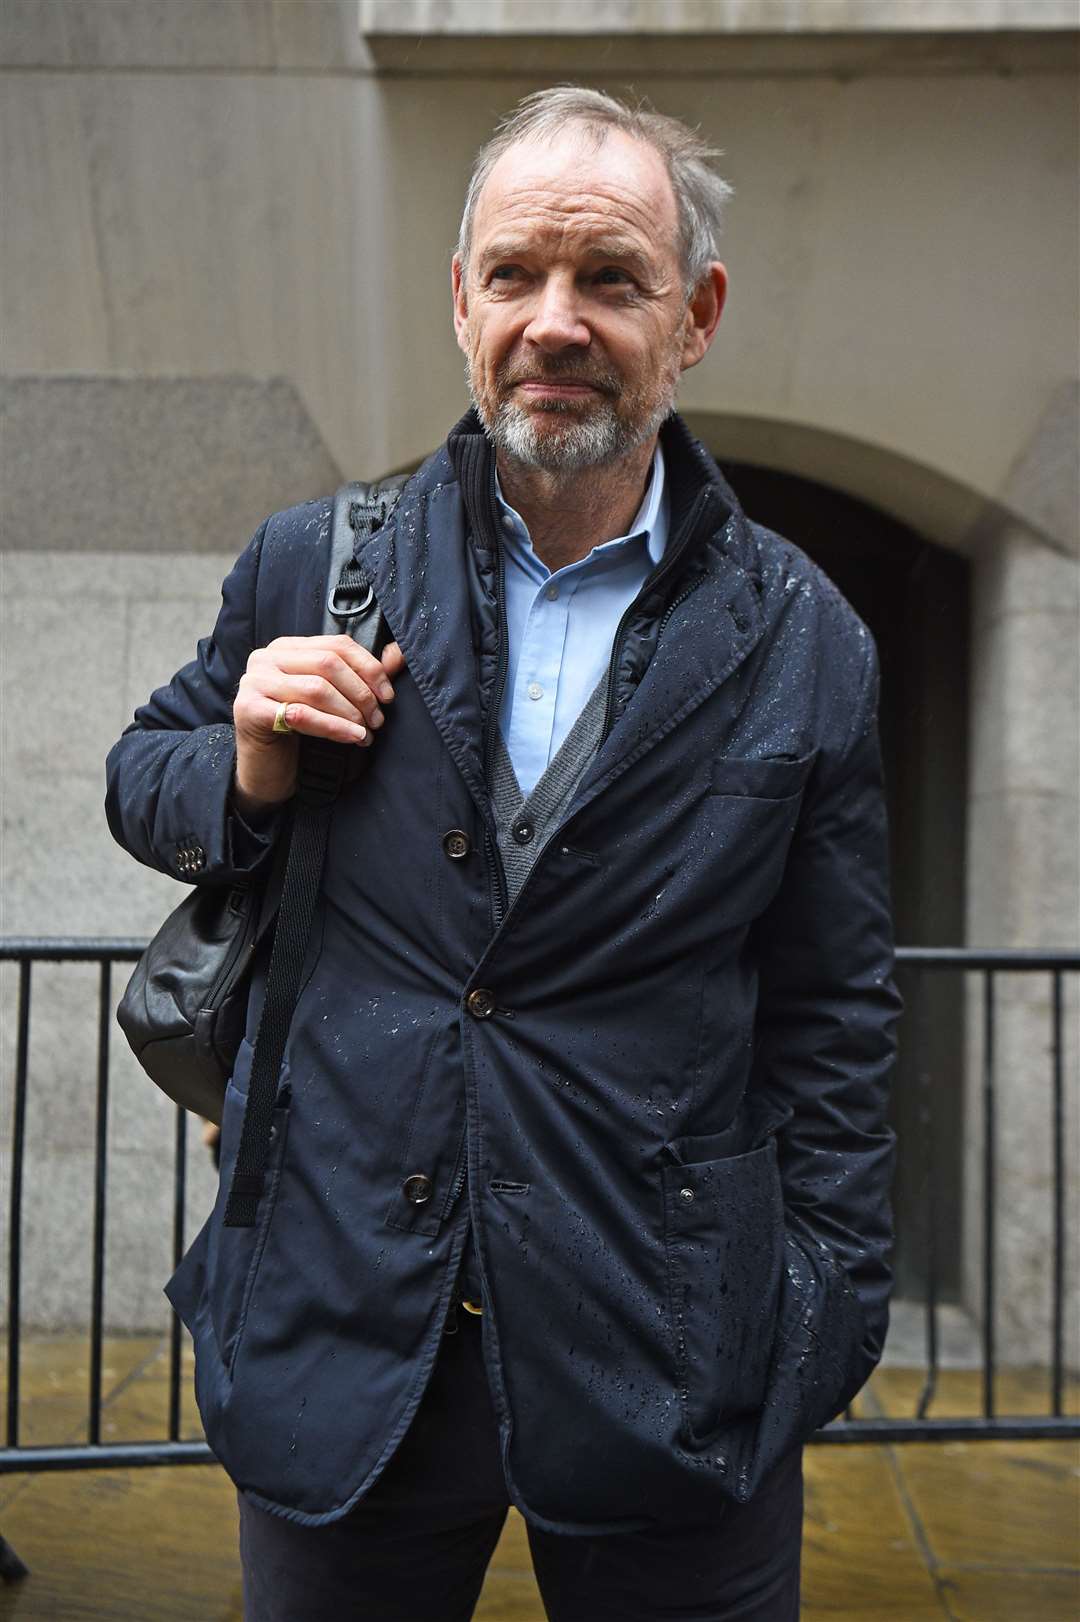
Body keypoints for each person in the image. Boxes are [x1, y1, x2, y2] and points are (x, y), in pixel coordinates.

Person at [106, 87, 900, 1622]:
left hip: (673, 1363)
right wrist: (250, 761)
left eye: (611, 278)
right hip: (349, 1339)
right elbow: (149, 773)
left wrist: (814, 1318)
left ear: (697, 315)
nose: (557, 321)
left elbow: (835, 1019)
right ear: (460, 299)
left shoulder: (809, 636)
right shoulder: (316, 563)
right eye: (517, 276)